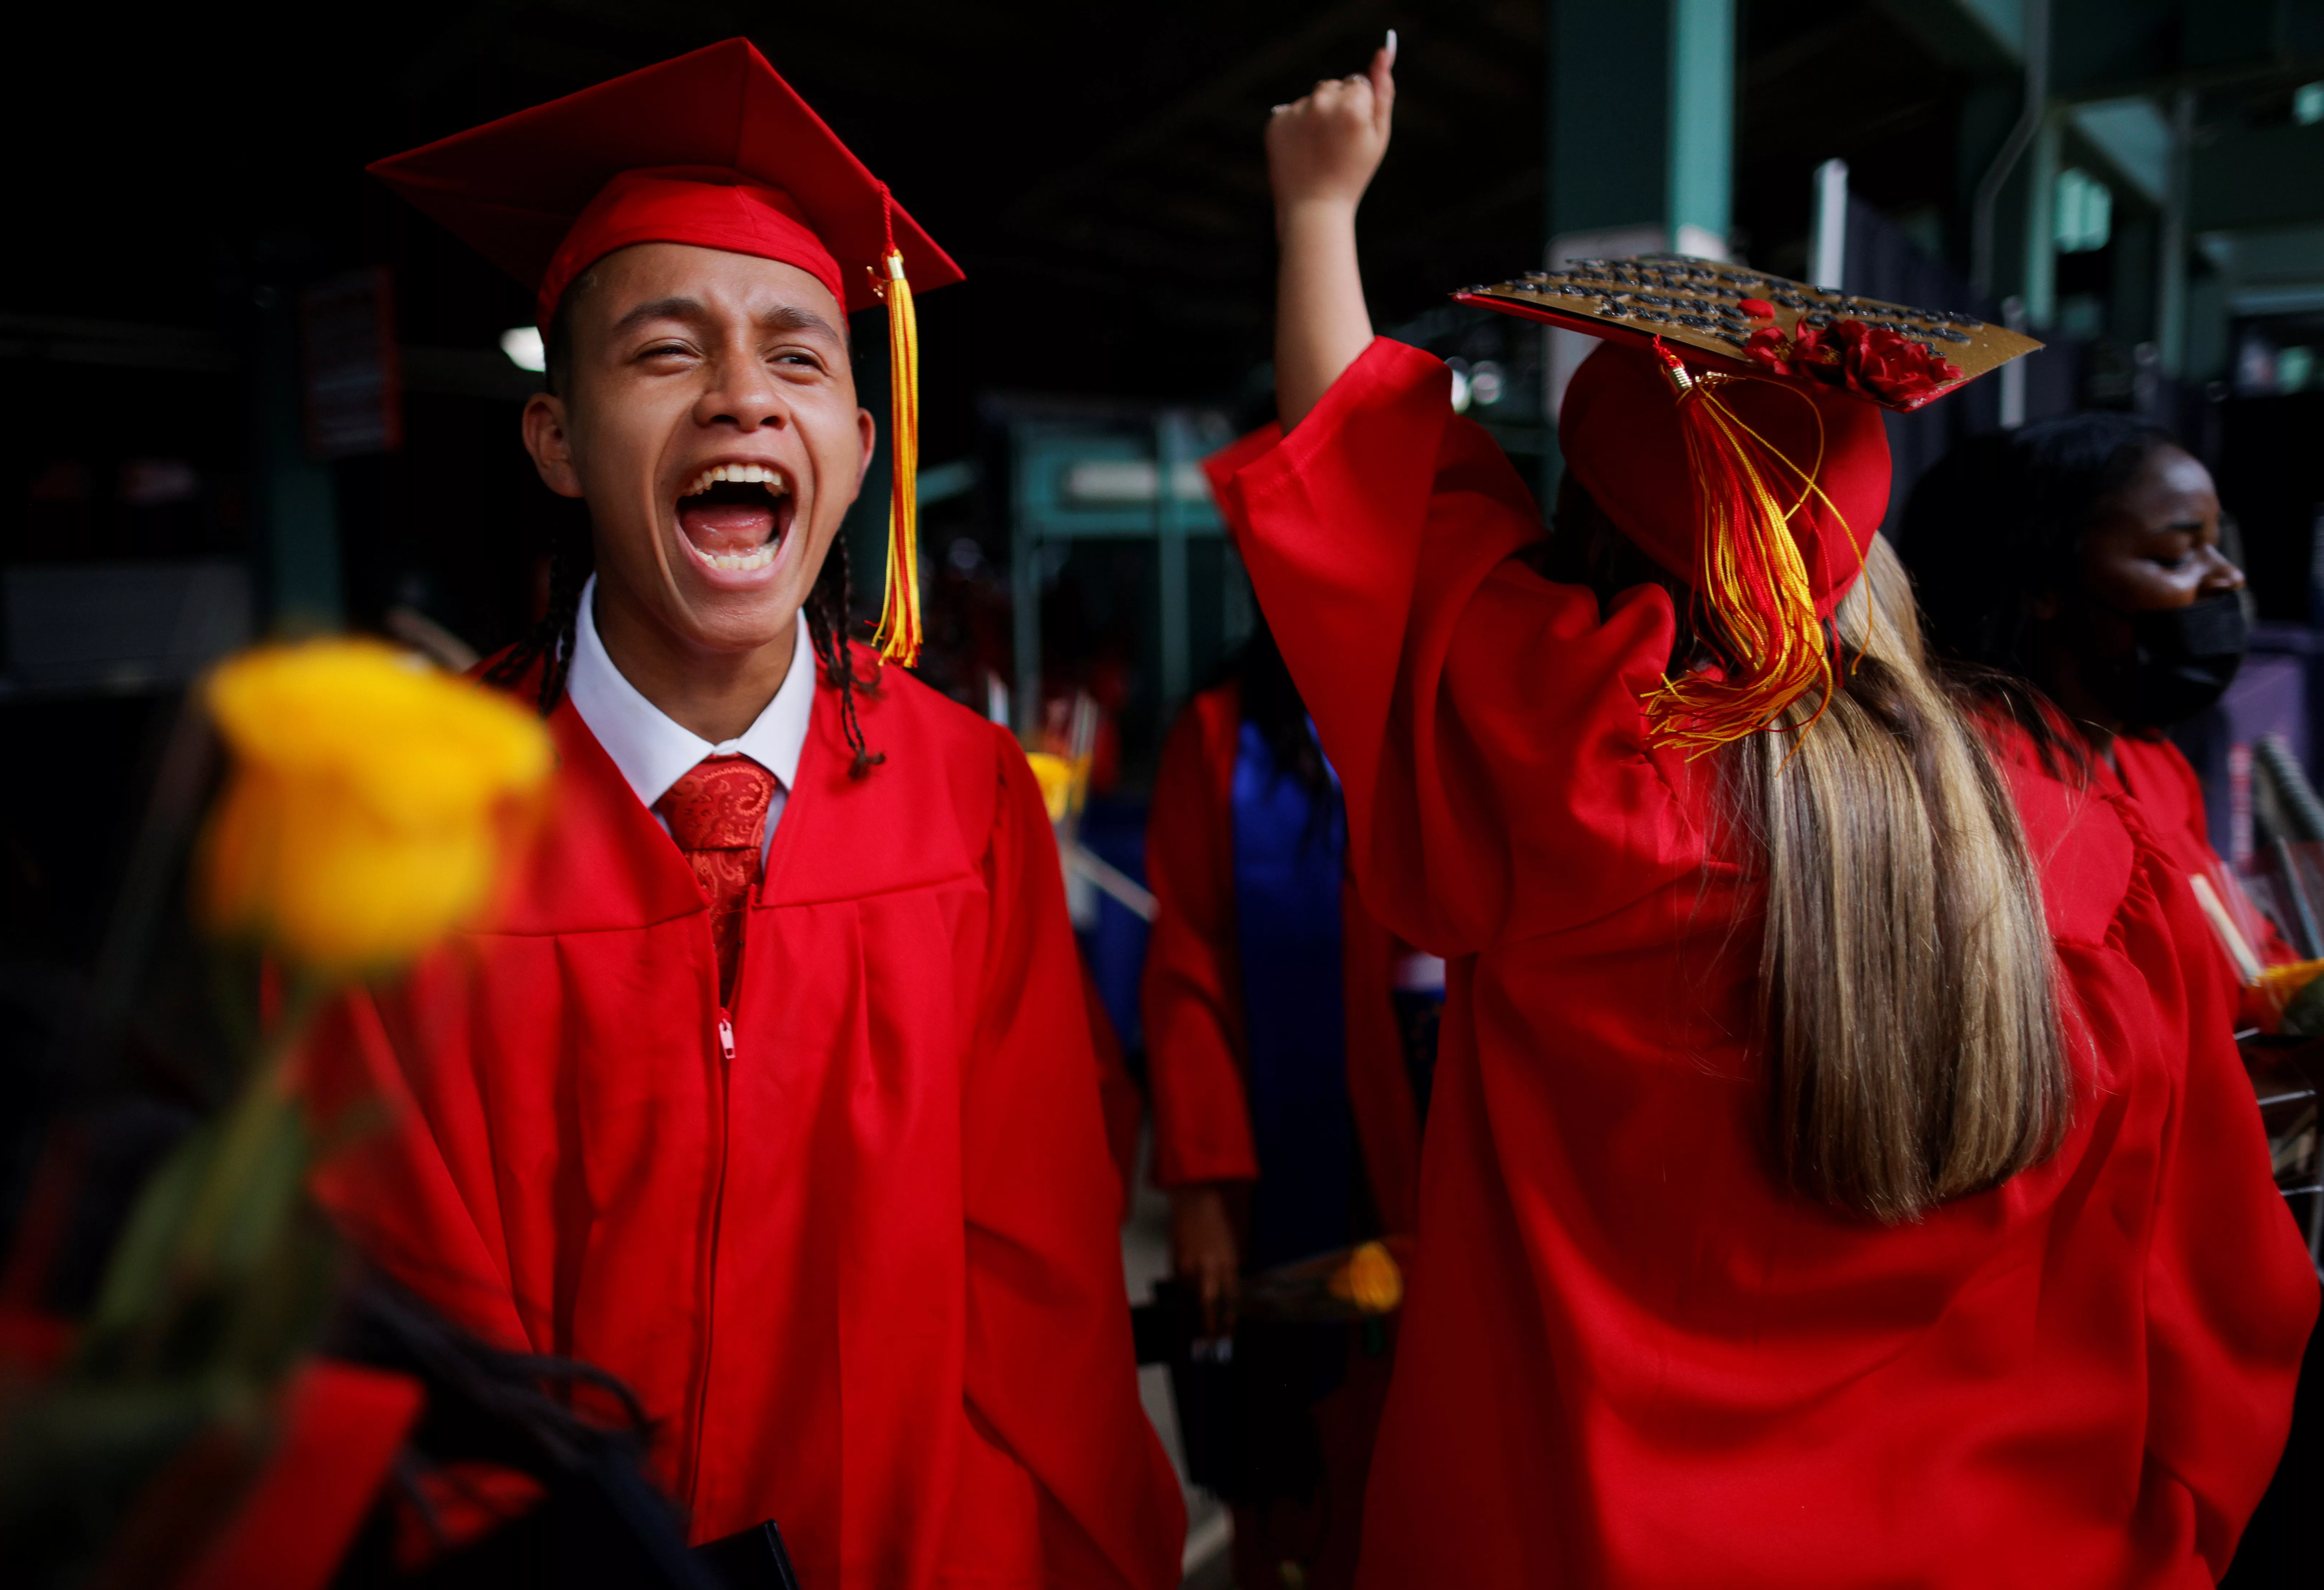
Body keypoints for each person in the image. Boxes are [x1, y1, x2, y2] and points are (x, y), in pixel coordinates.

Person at [1204, 40, 2317, 1586]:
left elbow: (1374, 491)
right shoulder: (2085, 834)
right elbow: (2215, 1292)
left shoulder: (1570, 767)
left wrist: (1319, 207)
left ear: (1588, 539)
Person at [303, 40, 1183, 1590]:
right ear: (557, 439)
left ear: (857, 444)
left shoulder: (971, 800)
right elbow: (387, 1316)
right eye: (664, 351)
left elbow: (1042, 1288)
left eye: (798, 356)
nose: (740, 397)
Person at [1142, 618, 1435, 1590]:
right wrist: (1202, 1192)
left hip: (1436, 1174)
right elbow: (1187, 971)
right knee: (1302, 1482)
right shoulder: (1223, 740)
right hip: (1293, 1194)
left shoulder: (1449, 719)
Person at [1905, 416, 2295, 971]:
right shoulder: (1984, 789)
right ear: (2044, 584)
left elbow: (2236, 950)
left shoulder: (2152, 757)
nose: (2229, 577)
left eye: (2218, 544)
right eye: (2175, 557)